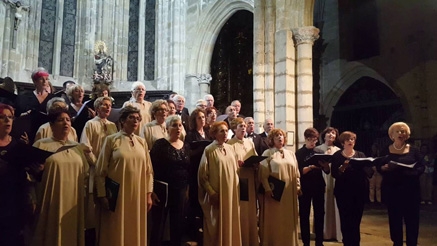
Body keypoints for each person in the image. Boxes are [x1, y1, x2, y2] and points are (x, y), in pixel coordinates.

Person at [95, 105, 153, 246]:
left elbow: (148, 171)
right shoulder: (111, 140)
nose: (135, 121)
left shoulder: (142, 142)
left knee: (135, 226)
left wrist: (148, 194)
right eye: (131, 117)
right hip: (118, 195)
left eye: (138, 119)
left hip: (138, 194)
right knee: (116, 228)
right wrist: (102, 195)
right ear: (122, 120)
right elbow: (100, 170)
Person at [32, 107, 90, 246]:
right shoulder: (41, 145)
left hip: (73, 201)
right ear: (51, 125)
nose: (66, 123)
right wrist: (38, 171)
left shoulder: (77, 147)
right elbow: (32, 174)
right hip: (52, 199)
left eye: (68, 120)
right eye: (60, 120)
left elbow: (85, 173)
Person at [377, 122, 424, 246]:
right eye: (397, 131)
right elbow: (378, 166)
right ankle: (397, 243)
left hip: (411, 190)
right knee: (395, 220)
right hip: (392, 190)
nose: (400, 133)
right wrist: (384, 168)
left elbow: (421, 167)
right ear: (391, 135)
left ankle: (412, 243)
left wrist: (411, 172)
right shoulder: (385, 150)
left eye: (403, 131)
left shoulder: (414, 150)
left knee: (412, 220)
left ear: (407, 135)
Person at [0, 103, 39, 246]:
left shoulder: (18, 145)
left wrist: (37, 168)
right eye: (2, 117)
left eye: (10, 117)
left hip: (15, 203)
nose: (7, 121)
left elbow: (28, 172)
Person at [79, 96, 117, 244]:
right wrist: (98, 163)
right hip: (95, 169)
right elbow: (85, 147)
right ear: (97, 108)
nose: (107, 108)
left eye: (109, 105)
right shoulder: (90, 124)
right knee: (93, 207)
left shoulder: (113, 126)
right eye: (104, 105)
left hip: (110, 170)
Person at [198, 121, 241, 246]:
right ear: (214, 134)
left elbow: (235, 171)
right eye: (221, 131)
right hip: (217, 194)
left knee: (230, 221)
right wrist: (211, 192)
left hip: (231, 194)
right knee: (216, 225)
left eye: (226, 130)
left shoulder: (230, 148)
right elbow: (203, 175)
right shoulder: (209, 150)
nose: (225, 133)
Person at [150, 115, 190, 246]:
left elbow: (188, 169)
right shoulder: (160, 144)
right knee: (159, 224)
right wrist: (152, 190)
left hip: (181, 189)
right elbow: (151, 168)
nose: (178, 128)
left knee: (177, 223)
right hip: (163, 190)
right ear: (167, 128)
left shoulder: (185, 146)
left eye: (180, 125)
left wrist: (187, 189)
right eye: (174, 125)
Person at [258, 128, 300, 245]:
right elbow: (263, 174)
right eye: (277, 136)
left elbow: (296, 172)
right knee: (275, 219)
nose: (280, 137)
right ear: (272, 139)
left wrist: (297, 186)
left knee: (288, 219)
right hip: (274, 194)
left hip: (289, 193)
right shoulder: (268, 153)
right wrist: (267, 188)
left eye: (281, 135)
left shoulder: (291, 154)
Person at [331, 131, 373, 246]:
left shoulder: (360, 155)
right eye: (348, 139)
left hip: (358, 192)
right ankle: (347, 242)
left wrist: (366, 166)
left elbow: (369, 173)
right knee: (345, 219)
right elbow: (334, 174)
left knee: (356, 220)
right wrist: (343, 167)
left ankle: (356, 243)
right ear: (343, 142)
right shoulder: (337, 156)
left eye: (352, 139)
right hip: (343, 192)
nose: (350, 141)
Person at [296, 127, 330, 246]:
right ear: (305, 139)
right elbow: (297, 172)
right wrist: (310, 167)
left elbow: (327, 171)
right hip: (305, 186)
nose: (312, 142)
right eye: (310, 139)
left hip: (318, 186)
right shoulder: (299, 153)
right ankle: (306, 242)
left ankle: (319, 242)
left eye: (315, 140)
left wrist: (325, 166)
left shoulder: (319, 152)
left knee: (320, 214)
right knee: (304, 215)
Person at [227, 118, 259, 246]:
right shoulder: (230, 144)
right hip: (239, 180)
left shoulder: (249, 143)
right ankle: (241, 240)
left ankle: (251, 240)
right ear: (234, 128)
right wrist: (237, 164)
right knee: (242, 211)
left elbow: (255, 156)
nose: (244, 128)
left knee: (250, 211)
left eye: (245, 126)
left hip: (250, 178)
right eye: (241, 126)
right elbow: (228, 163)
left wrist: (256, 163)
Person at [184, 108, 211, 241]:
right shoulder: (190, 134)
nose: (202, 120)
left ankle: (204, 229)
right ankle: (193, 231)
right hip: (194, 170)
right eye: (199, 118)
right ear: (194, 120)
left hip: (206, 169)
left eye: (203, 117)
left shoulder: (207, 133)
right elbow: (187, 153)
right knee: (194, 200)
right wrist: (200, 149)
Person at [314, 126, 342, 241]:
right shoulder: (318, 149)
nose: (331, 135)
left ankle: (335, 232)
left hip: (334, 179)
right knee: (323, 204)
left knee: (334, 203)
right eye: (329, 133)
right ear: (324, 135)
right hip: (322, 178)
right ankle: (323, 233)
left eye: (334, 133)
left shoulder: (338, 151)